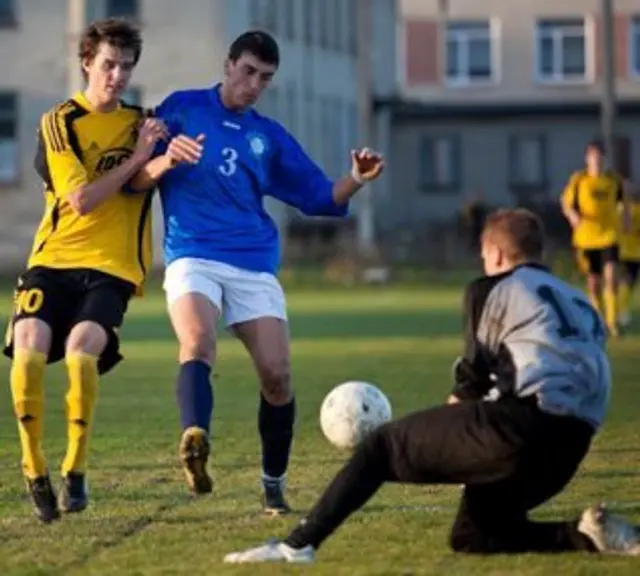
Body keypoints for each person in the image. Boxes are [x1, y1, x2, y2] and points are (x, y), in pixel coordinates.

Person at [223, 208, 640, 564]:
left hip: (520, 425)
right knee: (473, 534)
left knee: (381, 448)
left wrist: (452, 432)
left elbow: (473, 380)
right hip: (571, 446)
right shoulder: (580, 301)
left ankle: (297, 546)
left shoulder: (493, 287)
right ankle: (586, 535)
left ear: (493, 253)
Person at [131, 30, 384, 514]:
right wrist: (164, 159)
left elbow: (318, 198)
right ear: (228, 65)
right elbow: (137, 178)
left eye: (264, 79)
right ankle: (194, 437)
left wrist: (356, 179)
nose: (253, 85)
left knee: (278, 376)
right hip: (192, 253)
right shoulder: (181, 108)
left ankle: (273, 485)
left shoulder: (267, 137)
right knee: (198, 343)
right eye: (247, 72)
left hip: (252, 261)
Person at [1, 18, 191, 524]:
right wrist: (136, 157)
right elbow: (82, 200)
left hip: (111, 268)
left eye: (126, 66)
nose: (117, 75)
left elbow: (140, 183)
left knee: (82, 355)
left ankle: (74, 470)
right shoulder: (59, 121)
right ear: (86, 62)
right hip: (53, 261)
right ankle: (34, 466)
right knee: (27, 353)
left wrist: (162, 159)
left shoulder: (142, 122)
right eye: (109, 64)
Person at [561, 141, 630, 337]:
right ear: (587, 159)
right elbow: (566, 203)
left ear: (606, 160)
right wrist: (573, 216)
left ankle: (612, 321)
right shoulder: (579, 180)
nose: (598, 161)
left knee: (611, 276)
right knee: (594, 281)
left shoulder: (613, 181)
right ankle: (598, 319)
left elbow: (623, 203)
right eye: (594, 157)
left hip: (609, 235)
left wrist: (625, 221)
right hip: (586, 238)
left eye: (601, 158)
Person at [618, 183, 640, 329]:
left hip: (634, 253)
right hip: (624, 252)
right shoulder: (618, 209)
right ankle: (620, 313)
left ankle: (622, 313)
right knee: (624, 284)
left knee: (628, 284)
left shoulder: (636, 209)